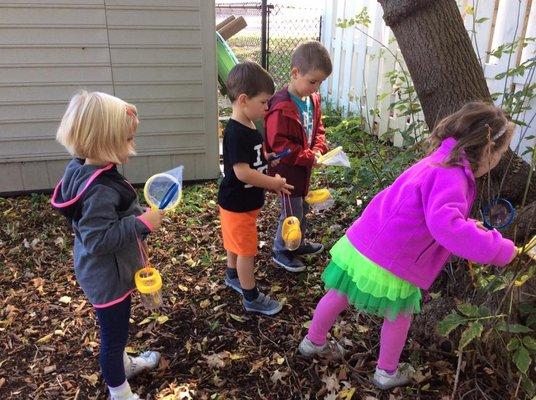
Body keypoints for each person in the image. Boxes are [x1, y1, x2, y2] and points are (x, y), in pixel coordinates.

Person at [297, 102, 518, 389]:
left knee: (339, 293)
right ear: (487, 150)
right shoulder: (452, 175)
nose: (499, 159)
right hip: (392, 256)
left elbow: (435, 214)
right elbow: (446, 228)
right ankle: (386, 373)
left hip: (365, 239)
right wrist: (499, 249)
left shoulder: (439, 159)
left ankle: (312, 342)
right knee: (399, 315)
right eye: (500, 153)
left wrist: (466, 224)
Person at [51, 91, 162, 400]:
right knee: (113, 338)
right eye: (127, 140)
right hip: (107, 278)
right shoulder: (98, 189)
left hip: (104, 270)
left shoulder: (83, 167)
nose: (132, 147)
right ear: (104, 143)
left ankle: (124, 365)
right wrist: (142, 223)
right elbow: (98, 239)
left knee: (118, 331)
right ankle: (120, 391)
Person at [218, 61, 293, 315]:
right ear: (243, 99)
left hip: (243, 203)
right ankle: (251, 297)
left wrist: (269, 159)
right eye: (263, 102)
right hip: (237, 204)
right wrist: (273, 183)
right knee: (246, 251)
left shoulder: (249, 125)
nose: (267, 107)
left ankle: (232, 276)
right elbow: (242, 172)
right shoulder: (236, 132)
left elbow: (252, 159)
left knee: (235, 244)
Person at [265, 40, 333, 273]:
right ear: (295, 73)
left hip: (303, 167)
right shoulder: (280, 106)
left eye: (320, 83)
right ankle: (281, 250)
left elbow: (318, 128)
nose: (316, 87)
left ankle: (296, 243)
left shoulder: (312, 99)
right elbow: (280, 146)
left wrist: (319, 149)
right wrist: (308, 156)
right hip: (286, 172)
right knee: (291, 212)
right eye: (312, 81)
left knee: (301, 207)